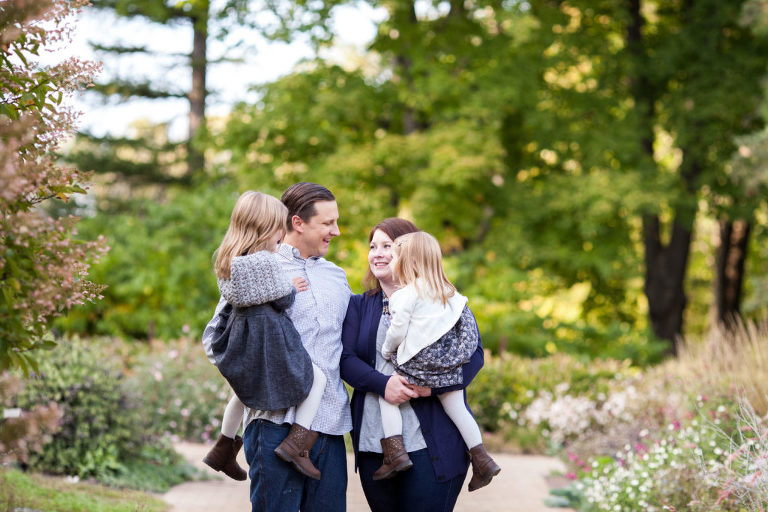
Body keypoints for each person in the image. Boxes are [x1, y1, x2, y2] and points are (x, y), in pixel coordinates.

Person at [203, 183, 352, 512]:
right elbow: (215, 342)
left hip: (328, 425)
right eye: (328, 223)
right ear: (297, 223)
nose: (336, 231)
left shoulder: (337, 277)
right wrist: (258, 379)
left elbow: (352, 348)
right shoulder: (255, 269)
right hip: (272, 422)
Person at [340, 218, 486, 512]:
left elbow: (475, 355)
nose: (377, 253)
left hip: (431, 444)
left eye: (388, 246)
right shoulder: (359, 304)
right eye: (373, 246)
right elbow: (345, 360)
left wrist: (428, 390)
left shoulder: (444, 299)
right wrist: (384, 386)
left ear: (411, 253)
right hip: (375, 444)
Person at [377, 231, 500, 490]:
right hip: (448, 366)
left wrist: (387, 351)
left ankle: (395, 453)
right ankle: (482, 459)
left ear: (407, 262)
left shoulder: (403, 295)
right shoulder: (449, 293)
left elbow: (398, 331)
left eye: (395, 257)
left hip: (416, 365)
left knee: (387, 397)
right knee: (457, 407)